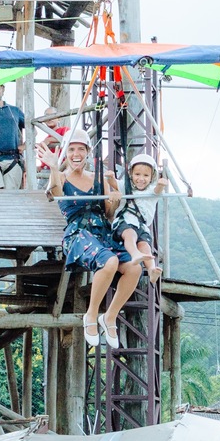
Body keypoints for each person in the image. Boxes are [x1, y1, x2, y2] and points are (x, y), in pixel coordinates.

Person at [37, 130, 143, 350]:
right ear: (66, 153)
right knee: (110, 262)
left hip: (102, 232)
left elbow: (109, 212)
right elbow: (54, 192)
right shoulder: (62, 177)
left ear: (87, 152)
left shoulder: (98, 178)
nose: (76, 154)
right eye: (72, 149)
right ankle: (92, 314)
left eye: (81, 149)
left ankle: (110, 316)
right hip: (78, 234)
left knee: (134, 268)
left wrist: (114, 197)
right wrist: (54, 167)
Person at [105, 153, 166, 282]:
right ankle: (135, 253)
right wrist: (110, 177)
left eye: (145, 176)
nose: (141, 179)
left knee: (144, 244)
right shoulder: (126, 186)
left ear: (152, 177)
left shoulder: (151, 191)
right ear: (131, 174)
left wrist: (161, 184)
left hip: (141, 225)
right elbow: (115, 184)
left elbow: (157, 191)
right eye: (137, 175)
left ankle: (151, 270)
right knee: (130, 234)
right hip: (125, 222)